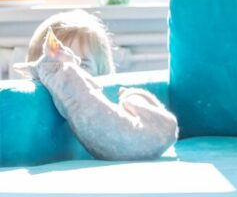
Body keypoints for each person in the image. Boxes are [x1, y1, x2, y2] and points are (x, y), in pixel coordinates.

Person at [18, 9, 179, 160]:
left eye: (83, 65)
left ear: (103, 73)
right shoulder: (42, 104)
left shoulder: (108, 102)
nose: (75, 72)